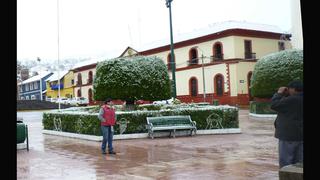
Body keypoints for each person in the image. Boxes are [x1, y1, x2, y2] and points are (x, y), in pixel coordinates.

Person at [270, 80, 303, 168]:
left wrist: (279, 93)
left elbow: (274, 105)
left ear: (293, 89)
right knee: (299, 162)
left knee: (286, 162)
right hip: (301, 136)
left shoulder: (292, 99)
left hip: (288, 135)